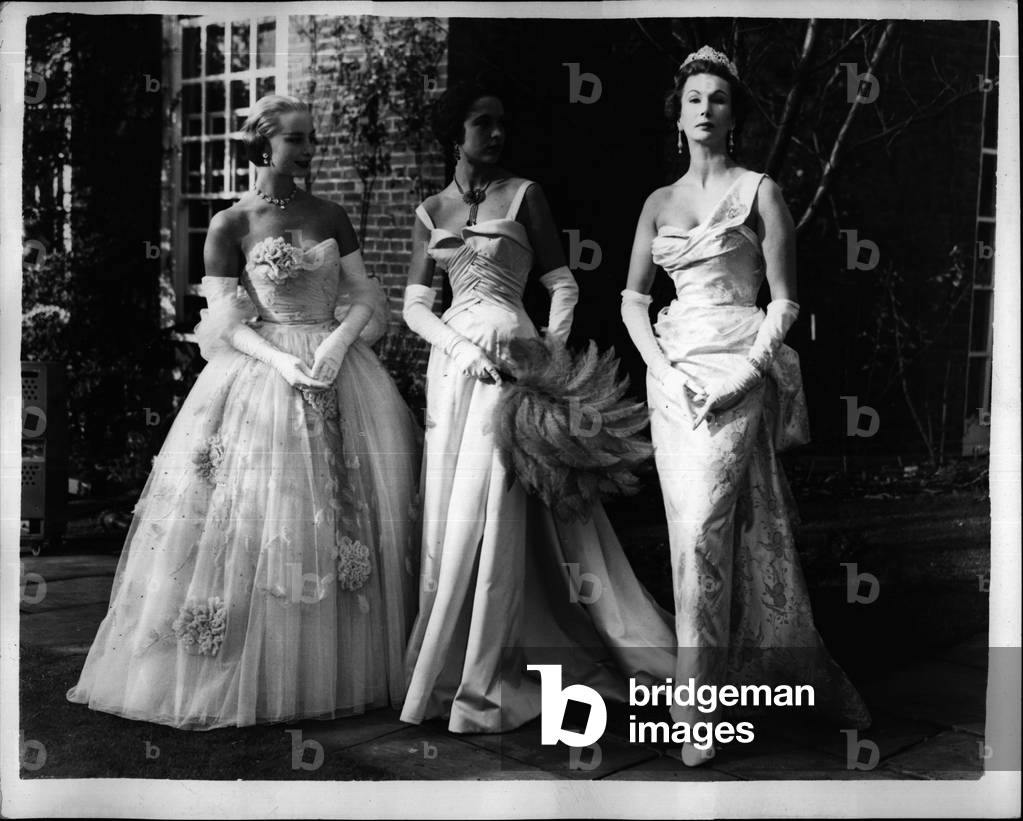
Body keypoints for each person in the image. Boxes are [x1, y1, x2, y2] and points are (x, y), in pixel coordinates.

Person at [67, 95, 422, 730]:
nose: (308, 149)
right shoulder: (231, 223)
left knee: (348, 512)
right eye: (295, 139)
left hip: (339, 370)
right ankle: (257, 666)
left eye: (310, 137)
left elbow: (367, 295)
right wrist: (284, 363)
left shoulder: (332, 213)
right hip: (263, 375)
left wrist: (337, 346)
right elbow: (227, 320)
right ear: (263, 146)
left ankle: (343, 668)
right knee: (268, 514)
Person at [400, 80, 678, 734]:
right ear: (455, 134)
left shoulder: (524, 195)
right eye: (482, 123)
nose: (496, 135)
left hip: (516, 366)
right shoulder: (430, 210)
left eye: (501, 123)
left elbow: (561, 284)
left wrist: (547, 361)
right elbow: (414, 303)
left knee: (499, 504)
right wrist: (457, 346)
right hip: (455, 373)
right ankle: (448, 663)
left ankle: (501, 659)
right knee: (451, 511)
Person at [620, 47, 871, 765]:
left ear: (734, 116)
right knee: (689, 532)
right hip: (671, 377)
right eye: (693, 97)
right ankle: (718, 686)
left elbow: (785, 300)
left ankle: (696, 711)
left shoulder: (759, 191)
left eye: (718, 99)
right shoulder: (656, 204)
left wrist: (747, 375)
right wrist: (659, 369)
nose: (704, 108)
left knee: (706, 524)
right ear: (678, 112)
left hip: (738, 365)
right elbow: (633, 299)